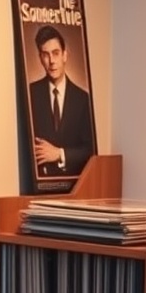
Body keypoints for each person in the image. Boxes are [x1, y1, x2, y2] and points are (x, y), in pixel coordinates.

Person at [27, 24, 95, 178]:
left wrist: (60, 154)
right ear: (40, 58)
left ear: (65, 55)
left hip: (75, 185)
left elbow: (90, 151)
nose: (51, 61)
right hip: (39, 184)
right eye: (46, 55)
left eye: (56, 53)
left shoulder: (83, 99)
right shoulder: (30, 93)